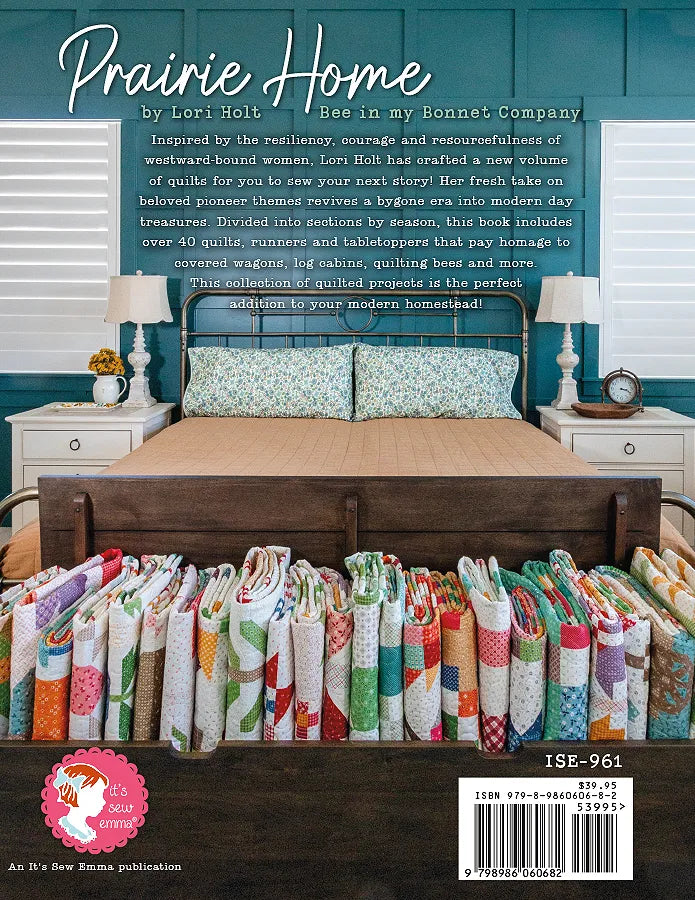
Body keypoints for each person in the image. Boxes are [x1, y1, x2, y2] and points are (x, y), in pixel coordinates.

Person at [54, 762, 109, 844]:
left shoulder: (88, 832)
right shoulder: (65, 829)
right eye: (96, 795)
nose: (103, 801)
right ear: (73, 794)